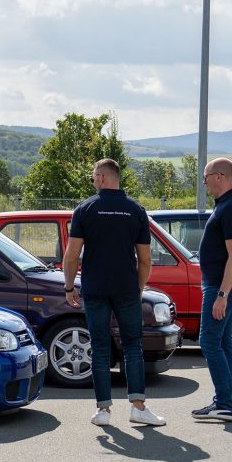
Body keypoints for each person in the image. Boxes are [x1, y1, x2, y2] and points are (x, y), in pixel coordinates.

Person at [62, 158, 165, 428]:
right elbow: (145, 260)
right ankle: (138, 407)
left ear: (103, 177)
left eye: (94, 177)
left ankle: (103, 411)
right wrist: (139, 286)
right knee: (133, 345)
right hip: (126, 288)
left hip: (95, 288)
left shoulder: (85, 209)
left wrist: (69, 286)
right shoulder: (136, 211)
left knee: (100, 347)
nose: (93, 181)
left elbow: (71, 255)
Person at [193, 157, 232, 421]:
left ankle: (224, 403)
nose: (204, 183)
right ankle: (225, 402)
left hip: (220, 286)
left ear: (219, 176)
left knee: (209, 341)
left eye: (205, 177)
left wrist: (222, 295)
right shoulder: (226, 205)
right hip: (218, 284)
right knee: (223, 343)